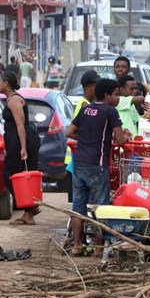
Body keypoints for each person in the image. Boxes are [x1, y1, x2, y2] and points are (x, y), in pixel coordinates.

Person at [66, 79, 127, 255]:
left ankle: (77, 246)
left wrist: (85, 139)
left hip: (79, 163)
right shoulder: (110, 111)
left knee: (79, 206)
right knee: (101, 206)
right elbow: (121, 140)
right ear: (107, 96)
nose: (118, 97)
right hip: (97, 164)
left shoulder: (86, 109)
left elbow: (69, 132)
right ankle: (99, 247)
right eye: (116, 94)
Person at [0, 72, 41, 225]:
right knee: (17, 175)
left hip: (22, 140)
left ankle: (29, 211)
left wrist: (23, 147)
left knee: (12, 174)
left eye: (0, 81)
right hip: (14, 141)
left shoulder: (15, 100)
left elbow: (20, 125)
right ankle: (29, 210)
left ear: (6, 83)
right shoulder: (10, 98)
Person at [64, 70, 101, 202]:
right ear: (87, 88)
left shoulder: (87, 103)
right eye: (96, 86)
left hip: (78, 156)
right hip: (76, 157)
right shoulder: (85, 105)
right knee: (78, 199)